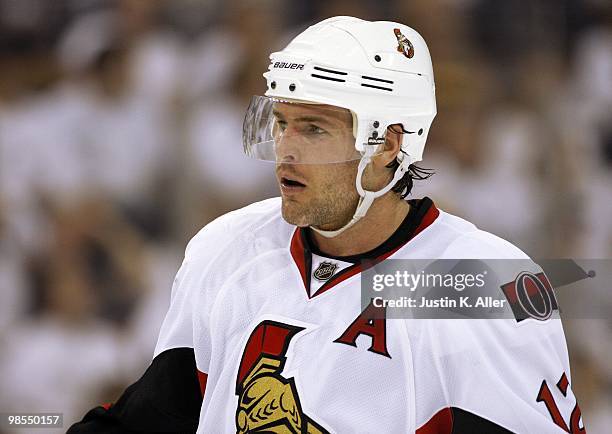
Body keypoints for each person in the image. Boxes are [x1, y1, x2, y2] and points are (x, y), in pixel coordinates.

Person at [69, 17, 585, 433]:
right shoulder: (228, 247)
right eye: (281, 122)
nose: (286, 149)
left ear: (388, 145)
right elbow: (157, 418)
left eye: (314, 128)